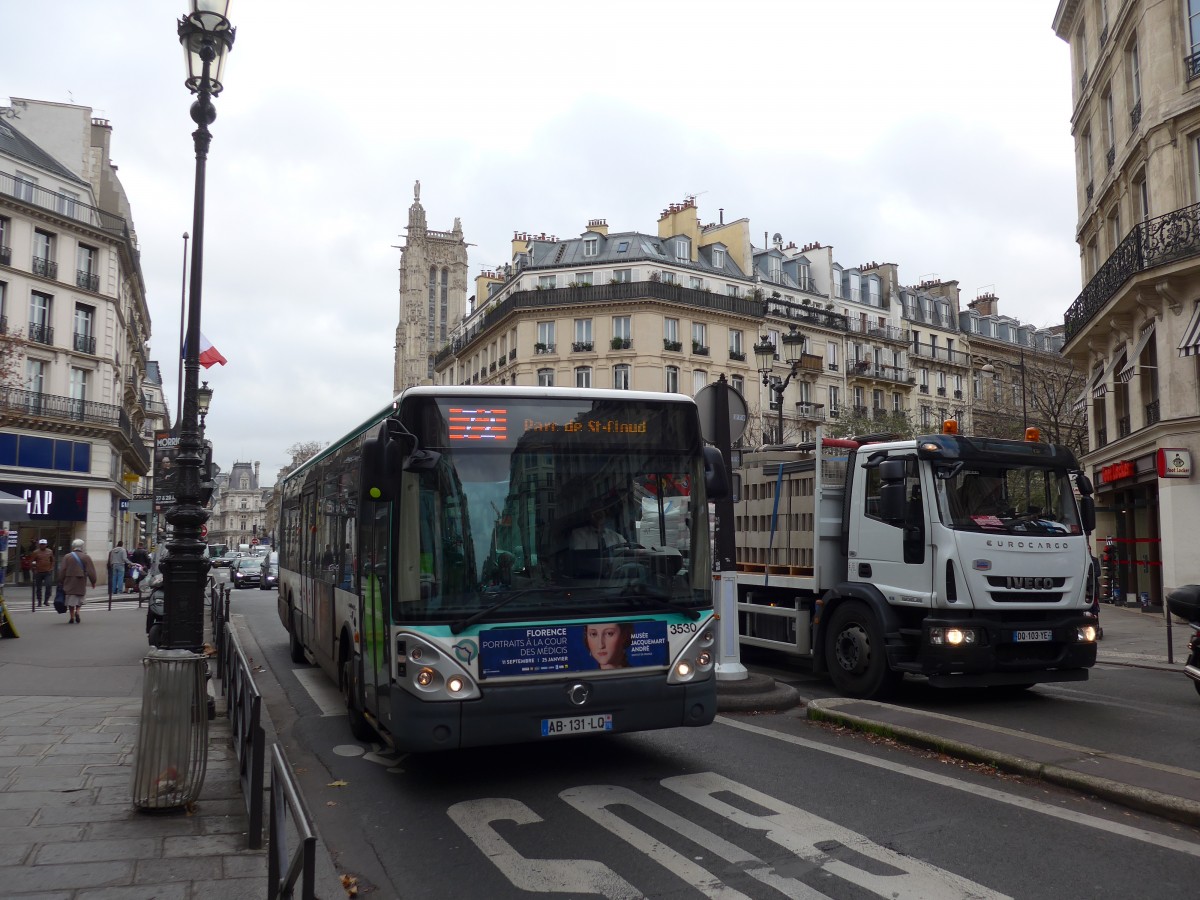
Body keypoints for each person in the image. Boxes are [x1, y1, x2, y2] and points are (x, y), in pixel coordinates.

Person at [58, 539, 97, 624]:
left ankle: (72, 616)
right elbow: (91, 571)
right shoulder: (86, 557)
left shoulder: (67, 556)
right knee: (79, 597)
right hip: (81, 580)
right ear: (82, 547)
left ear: (73, 547)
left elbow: (63, 570)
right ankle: (78, 612)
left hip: (69, 580)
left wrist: (61, 580)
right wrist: (93, 581)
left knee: (70, 598)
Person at [31, 539, 55, 606]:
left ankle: (46, 600)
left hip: (47, 572)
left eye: (44, 544)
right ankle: (39, 601)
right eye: (41, 544)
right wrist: (34, 569)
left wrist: (51, 568)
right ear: (39, 545)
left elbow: (52, 560)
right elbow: (32, 561)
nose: (42, 546)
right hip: (38, 572)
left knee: (48, 585)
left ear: (46, 544)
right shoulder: (35, 552)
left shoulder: (50, 551)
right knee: (38, 588)